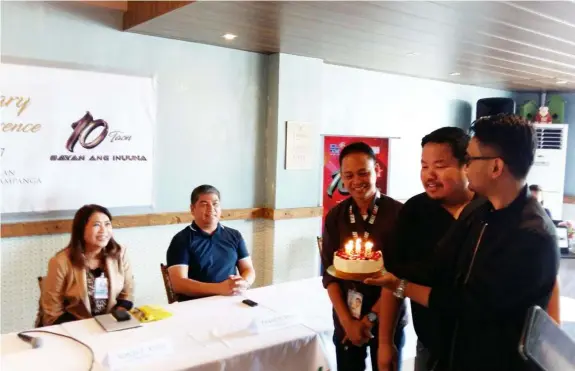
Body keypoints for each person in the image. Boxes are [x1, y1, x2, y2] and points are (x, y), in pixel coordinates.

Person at [366, 114, 559, 371]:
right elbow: (440, 265)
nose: (466, 167)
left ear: (496, 167)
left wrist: (400, 285)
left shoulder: (531, 236)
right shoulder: (481, 212)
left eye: (469, 159)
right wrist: (381, 267)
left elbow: (470, 305)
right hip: (451, 353)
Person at [377, 127, 479, 371]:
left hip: (482, 346)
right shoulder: (414, 212)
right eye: (424, 166)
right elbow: (395, 278)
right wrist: (385, 342)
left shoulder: (488, 209)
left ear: (467, 165)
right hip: (431, 343)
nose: (430, 175)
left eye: (440, 166)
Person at [321, 142, 406, 371]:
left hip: (387, 319)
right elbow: (329, 275)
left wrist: (369, 319)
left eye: (363, 173)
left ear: (377, 170)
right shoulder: (336, 216)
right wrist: (348, 322)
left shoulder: (399, 215)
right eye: (348, 175)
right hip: (346, 316)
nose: (356, 181)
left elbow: (400, 276)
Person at [40, 204, 135, 326]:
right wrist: (88, 328)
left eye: (107, 224)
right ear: (81, 230)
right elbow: (53, 311)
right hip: (75, 327)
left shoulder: (120, 254)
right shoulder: (60, 262)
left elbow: (127, 294)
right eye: (96, 225)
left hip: (111, 325)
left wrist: (114, 319)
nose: (104, 230)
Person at [166, 185, 256, 301]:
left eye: (215, 204)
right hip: (196, 305)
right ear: (192, 209)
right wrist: (219, 288)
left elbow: (248, 269)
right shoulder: (181, 240)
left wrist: (244, 283)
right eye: (204, 204)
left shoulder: (234, 235)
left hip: (231, 300)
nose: (211, 209)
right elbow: (178, 284)